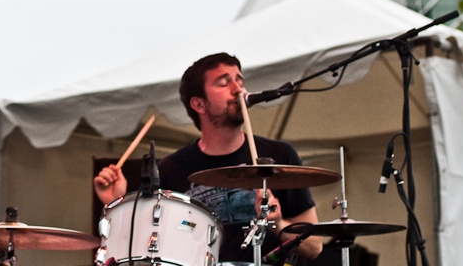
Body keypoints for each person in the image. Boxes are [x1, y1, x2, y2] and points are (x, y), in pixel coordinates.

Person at [93, 53, 323, 264]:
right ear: (199, 104)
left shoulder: (280, 156)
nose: (238, 89)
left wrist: (279, 224)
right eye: (224, 82)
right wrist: (116, 203)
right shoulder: (172, 169)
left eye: (240, 80)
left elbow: (314, 247)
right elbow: (146, 248)